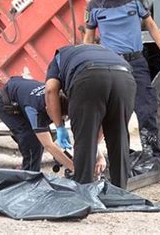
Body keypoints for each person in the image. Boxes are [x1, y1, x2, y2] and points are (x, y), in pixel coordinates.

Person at [83, 0, 160, 159]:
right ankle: (121, 156)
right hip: (112, 65)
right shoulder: (94, 6)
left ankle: (153, 156)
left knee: (146, 110)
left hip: (136, 62)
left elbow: (151, 24)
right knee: (116, 113)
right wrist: (85, 62)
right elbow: (88, 38)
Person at [45, 44, 136, 189]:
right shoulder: (104, 50)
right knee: (119, 137)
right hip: (125, 77)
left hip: (88, 77)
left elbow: (50, 90)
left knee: (84, 139)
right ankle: (121, 191)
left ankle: (84, 192)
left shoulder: (58, 57)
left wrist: (59, 126)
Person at [0, 77, 107, 174]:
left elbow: (87, 132)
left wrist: (100, 157)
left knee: (44, 135)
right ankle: (29, 177)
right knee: (32, 142)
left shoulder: (66, 98)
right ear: (48, 109)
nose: (61, 120)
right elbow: (48, 145)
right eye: (60, 117)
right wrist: (73, 168)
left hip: (23, 91)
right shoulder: (35, 109)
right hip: (7, 103)